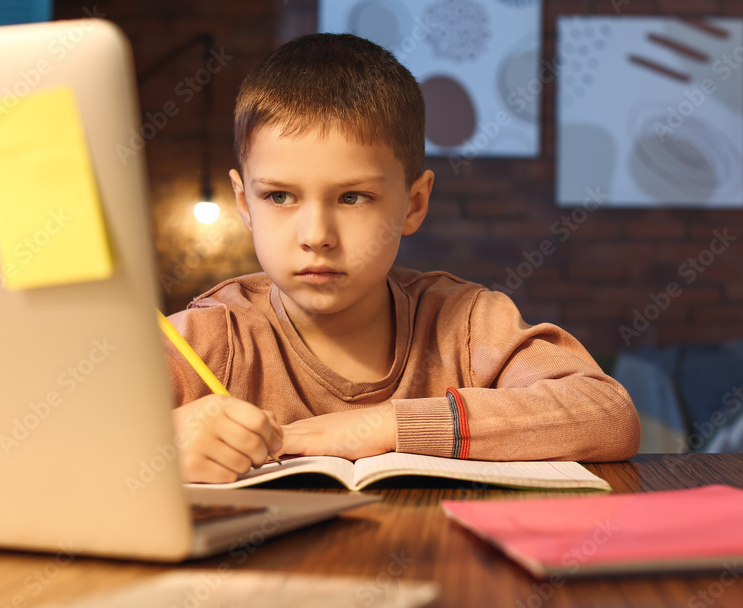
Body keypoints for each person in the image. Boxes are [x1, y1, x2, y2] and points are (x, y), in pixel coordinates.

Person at [165, 33, 640, 484]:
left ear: (413, 204)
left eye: (353, 198)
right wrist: (162, 442)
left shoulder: (468, 324)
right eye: (280, 197)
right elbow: (91, 433)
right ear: (244, 202)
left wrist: (386, 425)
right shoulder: (208, 338)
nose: (316, 236)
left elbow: (608, 415)